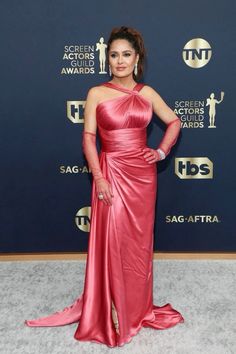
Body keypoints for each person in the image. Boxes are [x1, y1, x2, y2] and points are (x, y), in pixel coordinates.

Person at [25, 26, 184, 348]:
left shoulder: (147, 93)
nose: (120, 60)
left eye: (126, 54)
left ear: (137, 58)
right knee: (112, 240)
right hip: (110, 172)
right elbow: (88, 139)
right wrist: (98, 177)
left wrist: (161, 152)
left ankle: (136, 308)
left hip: (143, 175)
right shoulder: (97, 93)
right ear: (107, 59)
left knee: (137, 246)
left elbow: (175, 121)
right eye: (114, 55)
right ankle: (111, 306)